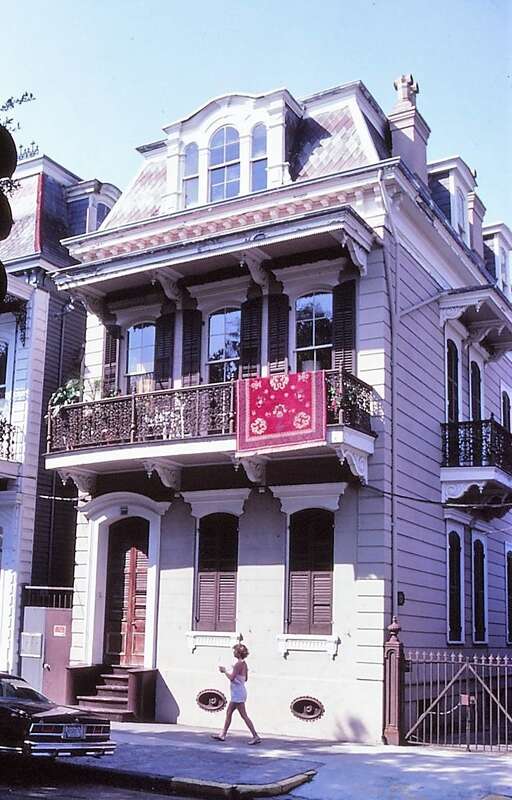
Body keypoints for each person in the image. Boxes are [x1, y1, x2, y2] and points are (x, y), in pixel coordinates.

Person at [212, 643, 261, 744]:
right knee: (229, 712)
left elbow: (232, 678)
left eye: (235, 651)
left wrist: (224, 671)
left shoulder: (238, 664)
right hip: (240, 691)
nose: (233, 652)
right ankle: (223, 734)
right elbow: (245, 678)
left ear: (238, 653)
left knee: (243, 715)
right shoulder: (244, 664)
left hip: (237, 693)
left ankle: (255, 736)